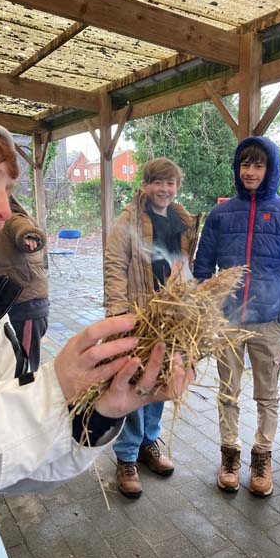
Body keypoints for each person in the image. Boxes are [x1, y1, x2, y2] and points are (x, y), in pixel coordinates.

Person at [0, 97, 191, 558]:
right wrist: (52, 390)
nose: (4, 208)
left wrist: (96, 412)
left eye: (8, 189)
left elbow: (8, 461)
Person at [193, 136, 280, 497]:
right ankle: (229, 455)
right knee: (227, 392)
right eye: (245, 164)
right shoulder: (221, 214)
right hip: (228, 321)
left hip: (267, 322)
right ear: (237, 168)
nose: (250, 171)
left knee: (268, 394)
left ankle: (262, 456)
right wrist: (211, 311)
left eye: (258, 164)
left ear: (270, 168)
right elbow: (203, 268)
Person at [104, 157, 202, 499]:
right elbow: (115, 265)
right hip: (140, 314)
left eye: (170, 183)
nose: (165, 189)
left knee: (162, 378)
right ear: (145, 185)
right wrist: (118, 314)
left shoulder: (183, 219)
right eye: (158, 182)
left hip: (172, 316)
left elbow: (189, 266)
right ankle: (127, 455)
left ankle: (149, 442)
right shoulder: (127, 221)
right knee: (134, 381)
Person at [0, 194, 49, 371]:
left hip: (27, 304)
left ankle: (29, 394)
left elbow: (23, 227)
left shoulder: (13, 217)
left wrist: (28, 236)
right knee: (12, 359)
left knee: (25, 366)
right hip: (7, 302)